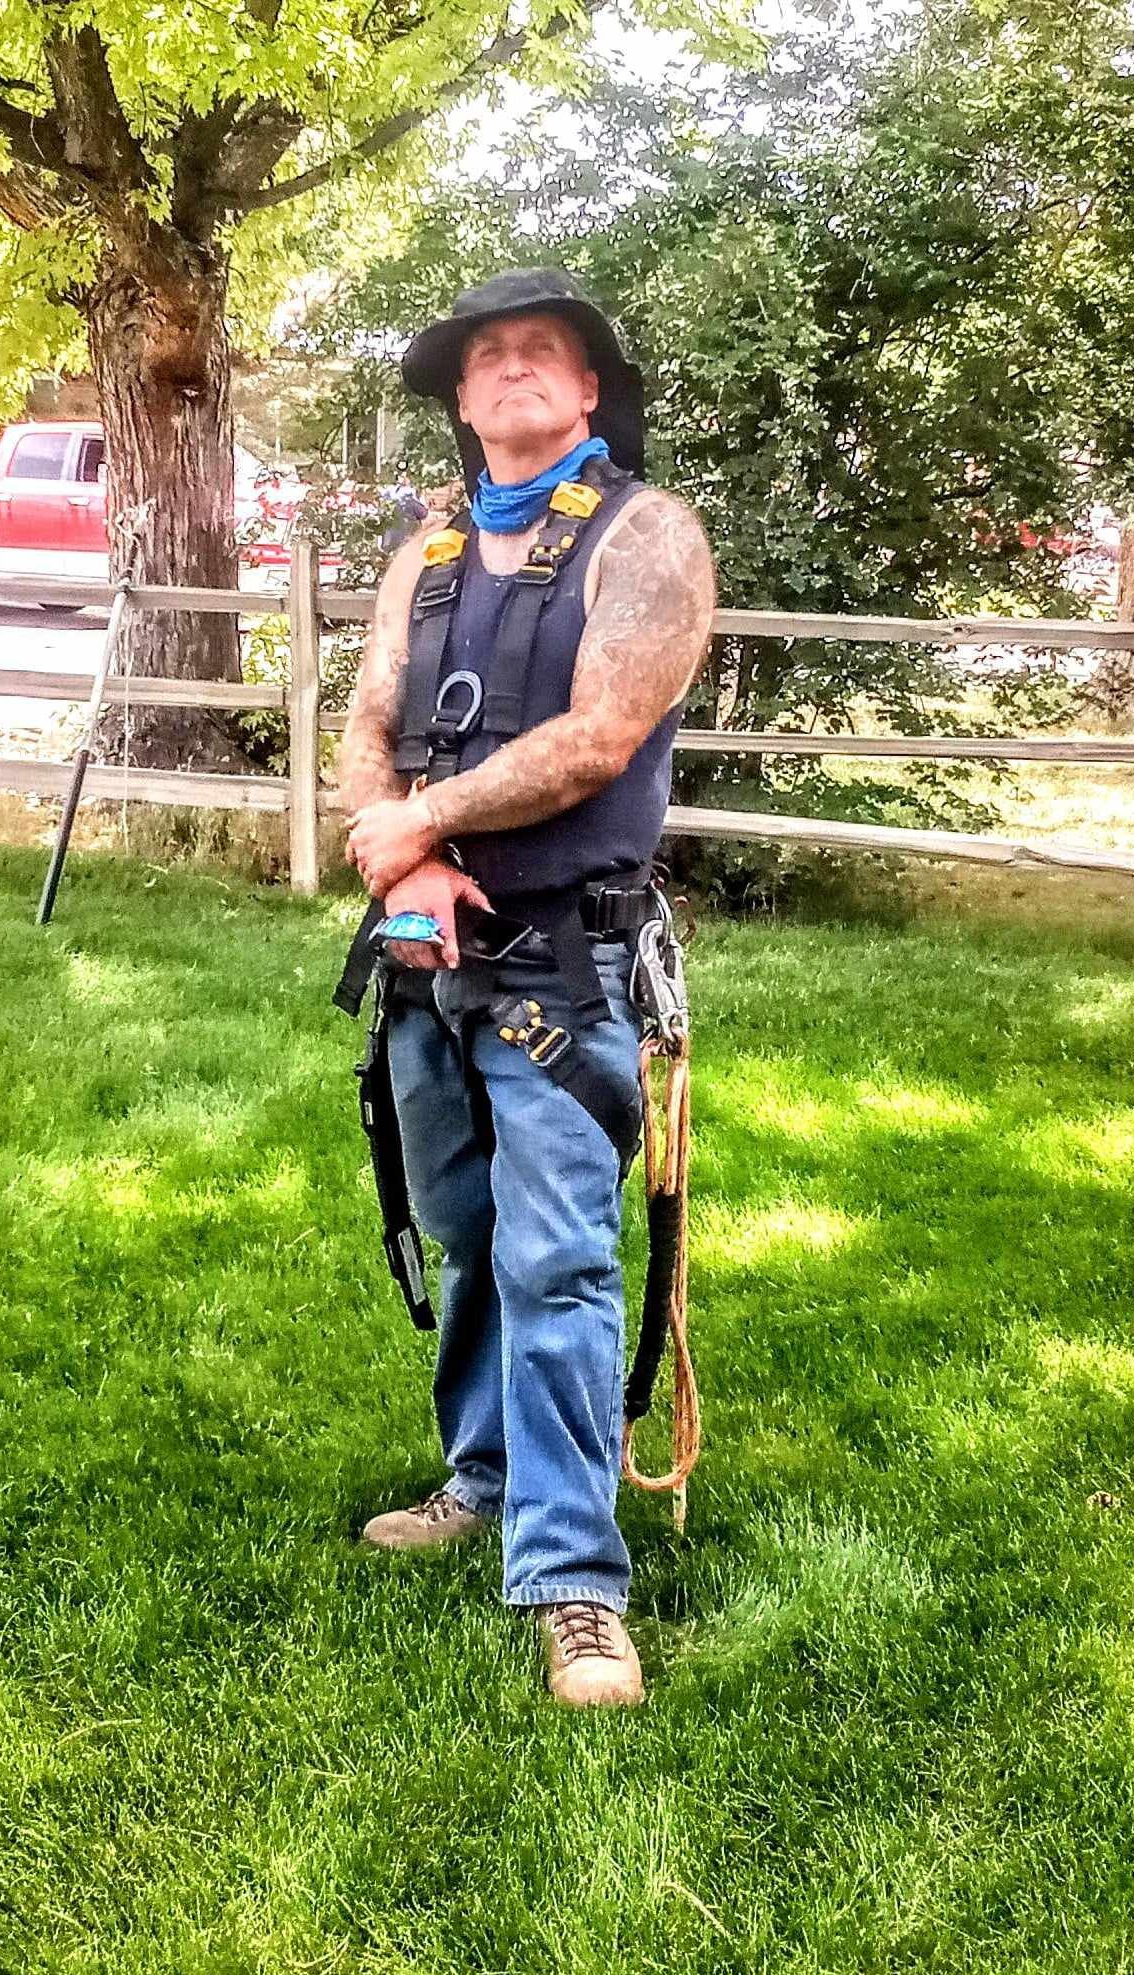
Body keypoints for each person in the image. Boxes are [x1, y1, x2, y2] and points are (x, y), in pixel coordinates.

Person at [337, 269, 716, 1708]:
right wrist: (400, 870)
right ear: (459, 397)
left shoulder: (648, 535)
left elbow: (599, 735)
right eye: (483, 355)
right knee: (467, 1224)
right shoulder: (424, 551)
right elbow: (368, 722)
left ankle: (573, 1580)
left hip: (568, 956)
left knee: (557, 1251)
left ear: (584, 391)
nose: (507, 370)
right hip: (427, 949)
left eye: (538, 353)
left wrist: (426, 824)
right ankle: (485, 1473)